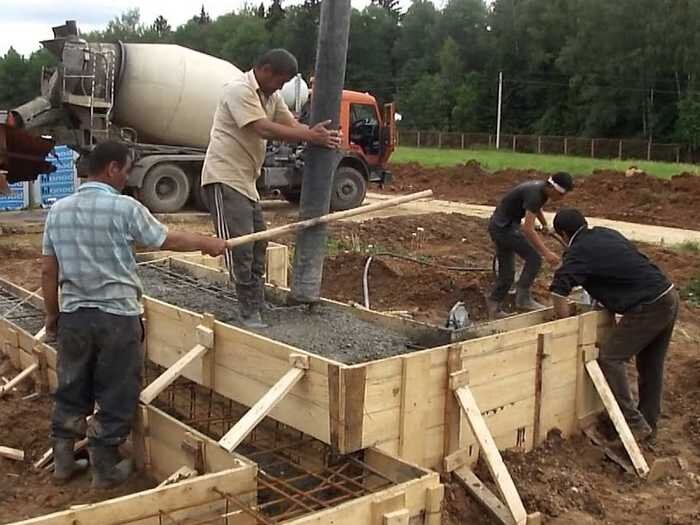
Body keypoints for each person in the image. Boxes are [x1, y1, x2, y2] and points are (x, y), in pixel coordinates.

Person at [42, 141, 225, 488]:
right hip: (117, 318)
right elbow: (165, 239)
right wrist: (206, 243)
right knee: (115, 391)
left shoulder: (58, 211)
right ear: (112, 168)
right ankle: (105, 470)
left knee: (71, 387)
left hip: (74, 318)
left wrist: (53, 317)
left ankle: (63, 462)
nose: (128, 178)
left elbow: (48, 272)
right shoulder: (125, 208)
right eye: (127, 170)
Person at [201, 49, 340, 329]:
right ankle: (248, 310)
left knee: (259, 243)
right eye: (281, 80)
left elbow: (291, 125)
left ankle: (255, 300)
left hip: (246, 182)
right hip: (224, 177)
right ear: (265, 70)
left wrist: (319, 136)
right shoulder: (239, 90)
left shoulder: (270, 96)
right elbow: (263, 128)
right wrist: (310, 136)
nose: (282, 87)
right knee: (239, 246)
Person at [549, 208, 679, 441]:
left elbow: (559, 290)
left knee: (610, 357)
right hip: (667, 295)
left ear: (564, 234)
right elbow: (615, 268)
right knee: (651, 366)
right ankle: (648, 425)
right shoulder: (604, 234)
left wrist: (563, 319)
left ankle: (633, 423)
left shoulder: (578, 251)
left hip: (649, 306)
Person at [486, 172, 574, 318]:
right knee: (534, 258)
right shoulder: (535, 194)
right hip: (504, 229)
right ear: (553, 188)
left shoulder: (541, 190)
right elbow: (528, 229)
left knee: (507, 274)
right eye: (561, 194)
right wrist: (547, 253)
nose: (561, 199)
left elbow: (535, 208)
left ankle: (494, 305)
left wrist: (545, 224)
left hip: (502, 225)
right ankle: (523, 299)